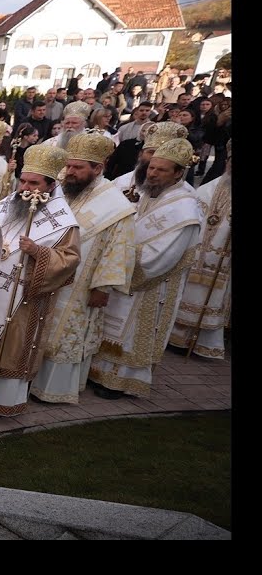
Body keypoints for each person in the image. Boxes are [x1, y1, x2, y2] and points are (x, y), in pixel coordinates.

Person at [0, 143, 81, 417]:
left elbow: (69, 260)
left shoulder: (64, 222)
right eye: (23, 181)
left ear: (51, 185)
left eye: (34, 183)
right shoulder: (7, 205)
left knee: (12, 347)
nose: (25, 188)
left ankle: (0, 403)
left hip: (24, 300)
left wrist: (38, 252)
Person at [30, 130, 137, 404]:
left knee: (66, 331)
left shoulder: (116, 204)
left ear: (97, 168)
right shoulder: (61, 190)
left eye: (78, 167)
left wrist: (103, 287)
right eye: (68, 165)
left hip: (81, 282)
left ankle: (55, 390)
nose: (70, 172)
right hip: (48, 272)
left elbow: (119, 249)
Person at [91, 138, 203, 398]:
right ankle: (98, 372)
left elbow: (163, 255)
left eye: (161, 170)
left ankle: (121, 382)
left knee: (132, 331)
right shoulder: (146, 192)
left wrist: (119, 257)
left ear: (178, 173)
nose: (152, 173)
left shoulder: (184, 207)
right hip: (125, 270)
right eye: (152, 167)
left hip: (152, 282)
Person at [169, 140, 231, 359]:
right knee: (188, 292)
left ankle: (205, 343)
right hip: (199, 253)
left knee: (215, 298)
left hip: (224, 260)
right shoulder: (208, 188)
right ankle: (177, 338)